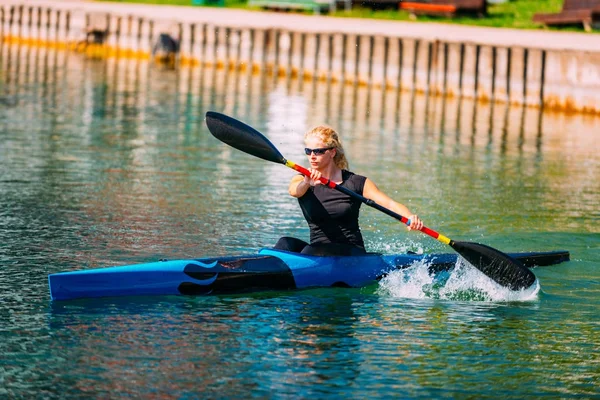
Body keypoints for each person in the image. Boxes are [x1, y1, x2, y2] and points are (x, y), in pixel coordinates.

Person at [274, 125, 423, 256]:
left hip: (350, 251)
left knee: (311, 252)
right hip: (317, 250)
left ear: (332, 152)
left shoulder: (356, 182)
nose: (312, 156)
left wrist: (410, 217)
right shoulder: (301, 179)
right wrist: (307, 182)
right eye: (308, 151)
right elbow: (295, 191)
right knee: (285, 243)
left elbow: (389, 204)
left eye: (318, 151)